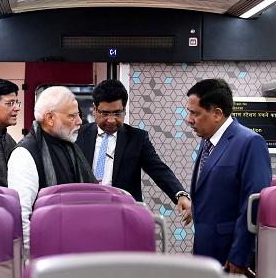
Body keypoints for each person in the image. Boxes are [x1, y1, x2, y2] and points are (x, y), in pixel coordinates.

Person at [184, 78, 271, 274]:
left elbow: (253, 204)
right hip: (206, 250)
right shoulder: (208, 141)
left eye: (194, 113)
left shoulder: (250, 142)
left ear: (217, 113)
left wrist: (240, 256)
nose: (189, 119)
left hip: (231, 256)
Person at [76, 79, 191, 218]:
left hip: (124, 215)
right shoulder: (78, 135)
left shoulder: (137, 139)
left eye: (117, 113)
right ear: (94, 109)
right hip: (84, 212)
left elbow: (159, 170)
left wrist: (180, 194)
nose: (111, 120)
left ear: (124, 109)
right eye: (105, 113)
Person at [7, 86, 96, 254]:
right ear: (49, 118)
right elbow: (20, 217)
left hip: (77, 249)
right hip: (46, 255)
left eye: (78, 115)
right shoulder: (25, 154)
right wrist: (35, 256)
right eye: (72, 116)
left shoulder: (70, 147)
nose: (79, 121)